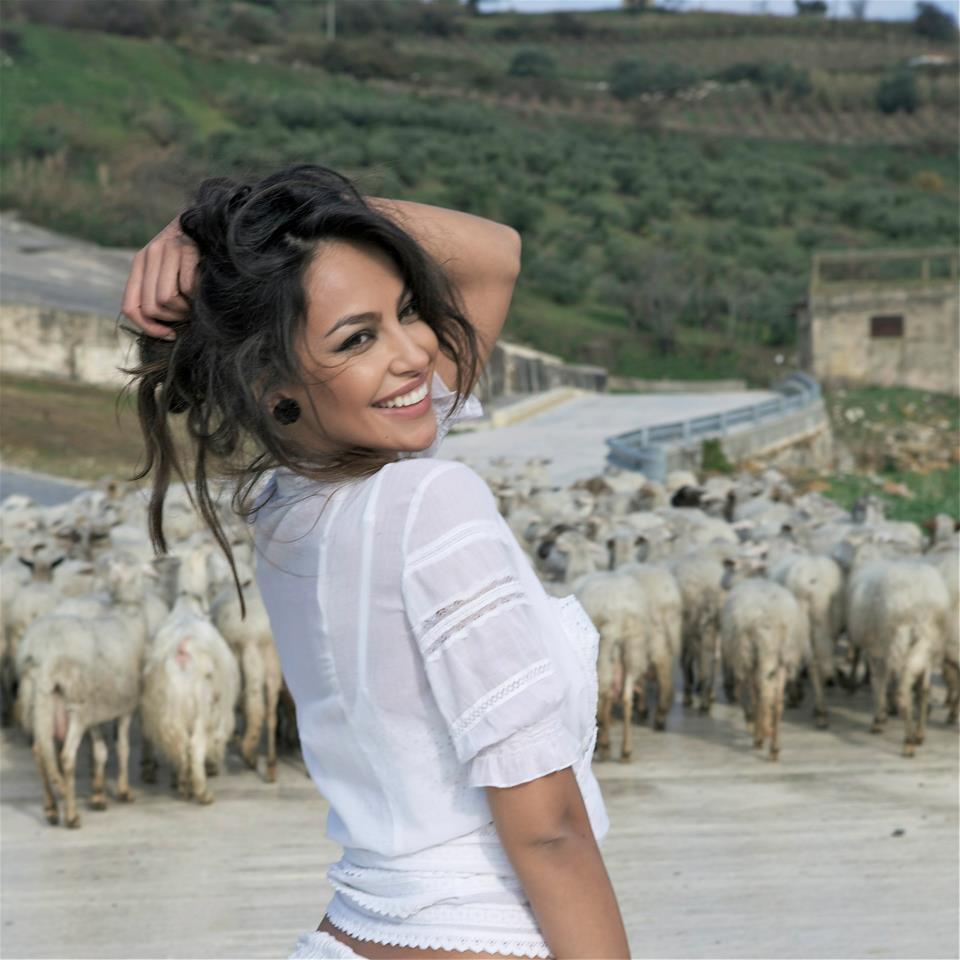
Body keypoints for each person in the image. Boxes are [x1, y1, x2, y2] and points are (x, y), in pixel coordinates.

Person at [121, 163, 631, 960]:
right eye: (358, 338)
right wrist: (243, 231)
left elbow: (493, 258)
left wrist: (237, 231)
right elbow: (550, 831)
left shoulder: (293, 505)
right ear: (270, 383)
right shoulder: (429, 503)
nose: (416, 352)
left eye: (408, 310)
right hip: (477, 930)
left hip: (357, 931)